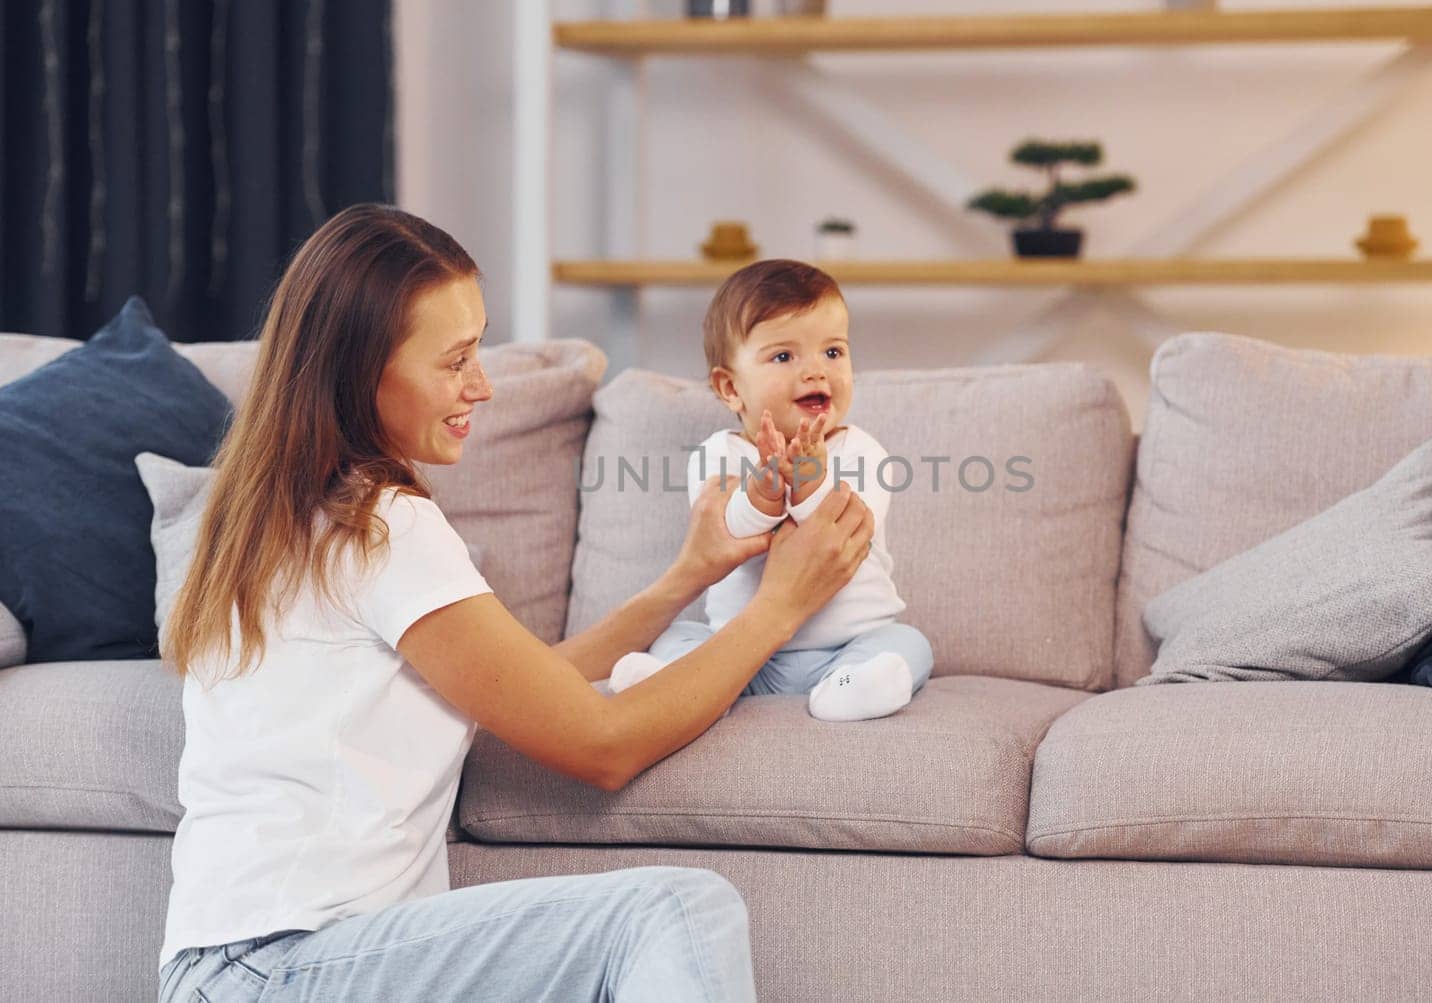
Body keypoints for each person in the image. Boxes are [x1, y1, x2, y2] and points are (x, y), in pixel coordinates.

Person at [155, 205, 876, 1002]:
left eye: (481, 350)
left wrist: (687, 577)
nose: (481, 384)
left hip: (243, 970)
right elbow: (604, 743)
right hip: (284, 966)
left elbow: (532, 683)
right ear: (361, 369)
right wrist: (777, 606)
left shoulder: (279, 514)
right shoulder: (382, 525)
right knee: (675, 908)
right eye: (455, 359)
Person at [606, 260, 933, 723]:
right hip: (740, 655)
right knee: (680, 634)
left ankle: (848, 688)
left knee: (908, 643)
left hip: (850, 643)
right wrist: (763, 491)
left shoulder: (862, 451)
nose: (817, 372)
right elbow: (727, 533)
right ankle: (671, 679)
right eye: (784, 357)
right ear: (730, 388)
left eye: (834, 353)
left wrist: (809, 479)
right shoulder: (717, 455)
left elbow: (842, 535)